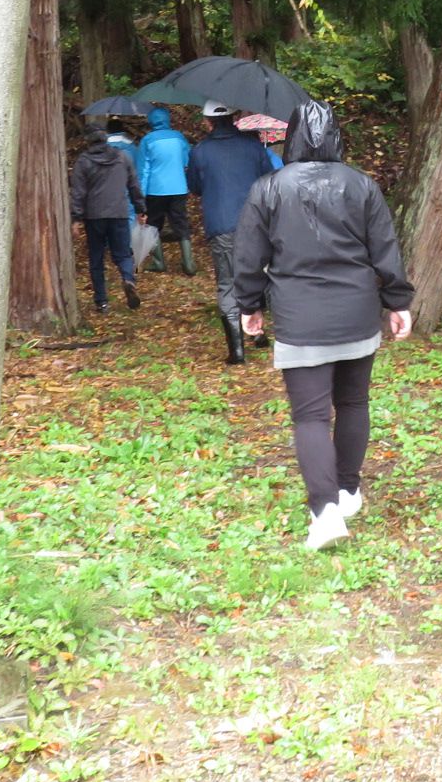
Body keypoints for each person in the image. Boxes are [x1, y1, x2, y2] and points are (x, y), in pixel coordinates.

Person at [232, 100, 413, 551]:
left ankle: (326, 510)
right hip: (356, 310)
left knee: (310, 415)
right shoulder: (362, 186)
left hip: (300, 315)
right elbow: (384, 248)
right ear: (336, 135)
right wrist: (398, 301)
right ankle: (347, 490)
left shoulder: (268, 188)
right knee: (353, 402)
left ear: (291, 136)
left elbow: (249, 255)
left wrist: (248, 304)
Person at [185, 100, 275, 365]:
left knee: (228, 282)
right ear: (234, 118)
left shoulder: (200, 151)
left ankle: (236, 351)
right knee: (260, 275)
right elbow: (269, 180)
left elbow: (195, 187)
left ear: (207, 122)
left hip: (221, 224)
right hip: (256, 223)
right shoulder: (253, 146)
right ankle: (261, 331)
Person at [68, 125, 145, 314]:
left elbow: (78, 192)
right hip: (119, 212)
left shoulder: (83, 162)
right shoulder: (122, 158)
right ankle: (128, 279)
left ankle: (101, 302)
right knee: (123, 254)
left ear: (88, 140)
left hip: (94, 216)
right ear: (105, 138)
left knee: (96, 258)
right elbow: (134, 184)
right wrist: (140, 208)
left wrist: (76, 218)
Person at [135, 108, 195, 275]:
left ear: (151, 122)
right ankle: (189, 263)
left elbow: (143, 172)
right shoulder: (179, 137)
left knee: (153, 225)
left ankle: (159, 262)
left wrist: (141, 196)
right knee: (181, 223)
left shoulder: (147, 141)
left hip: (156, 190)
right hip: (178, 188)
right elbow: (187, 161)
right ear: (168, 120)